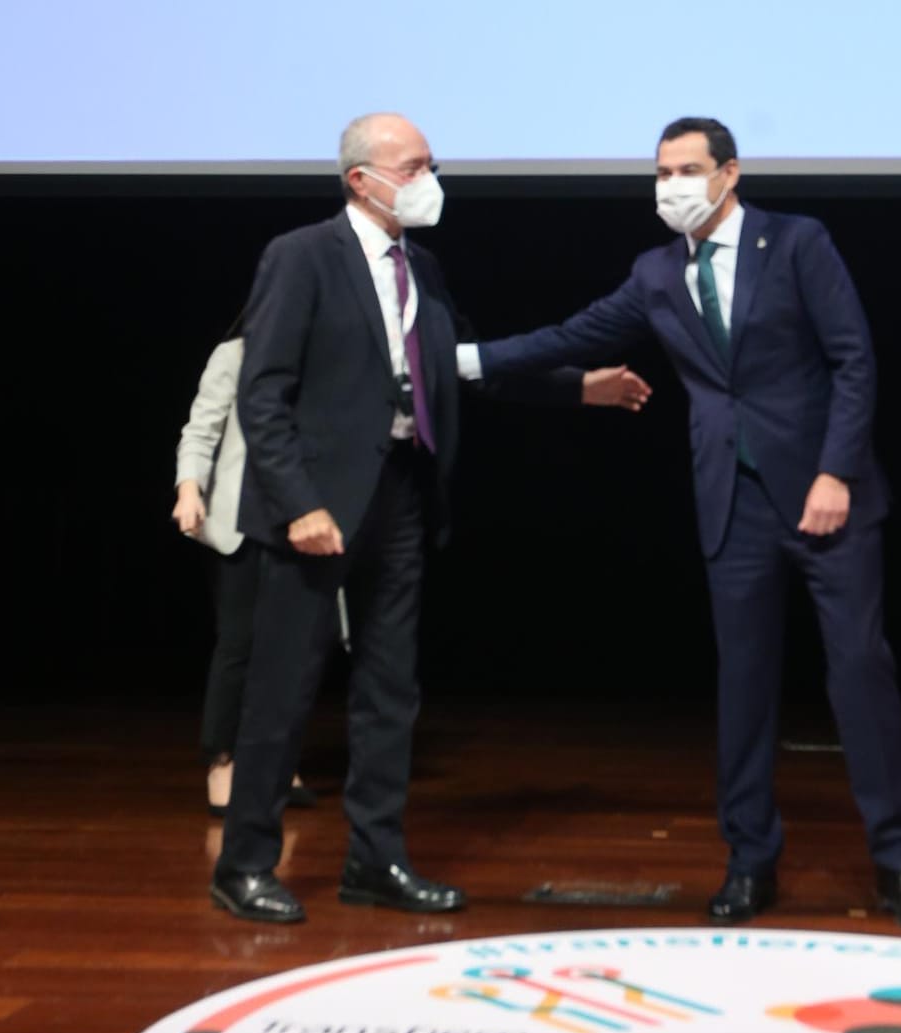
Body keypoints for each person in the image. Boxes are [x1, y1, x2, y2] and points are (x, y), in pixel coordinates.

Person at [461, 117, 901, 929]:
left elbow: (853, 360)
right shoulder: (655, 272)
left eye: (687, 169)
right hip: (733, 499)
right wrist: (464, 360)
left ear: (730, 173)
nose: (671, 186)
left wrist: (835, 471)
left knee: (859, 669)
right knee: (743, 683)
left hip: (825, 494)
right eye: (660, 173)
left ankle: (900, 857)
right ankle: (750, 857)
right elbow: (573, 335)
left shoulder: (797, 243)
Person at [212, 112, 650, 924]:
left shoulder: (426, 268)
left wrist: (575, 387)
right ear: (362, 181)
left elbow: (460, 368)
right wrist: (299, 501)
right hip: (317, 506)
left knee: (391, 691)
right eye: (413, 167)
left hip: (402, 495)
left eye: (429, 164)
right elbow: (262, 393)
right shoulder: (302, 256)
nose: (428, 179)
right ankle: (243, 865)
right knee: (283, 690)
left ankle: (374, 860)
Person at [171, 324, 321, 817]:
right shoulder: (235, 354)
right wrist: (189, 488)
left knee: (293, 651)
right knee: (239, 643)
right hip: (241, 518)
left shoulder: (323, 358)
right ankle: (222, 761)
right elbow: (202, 428)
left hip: (306, 519)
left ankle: (275, 762)